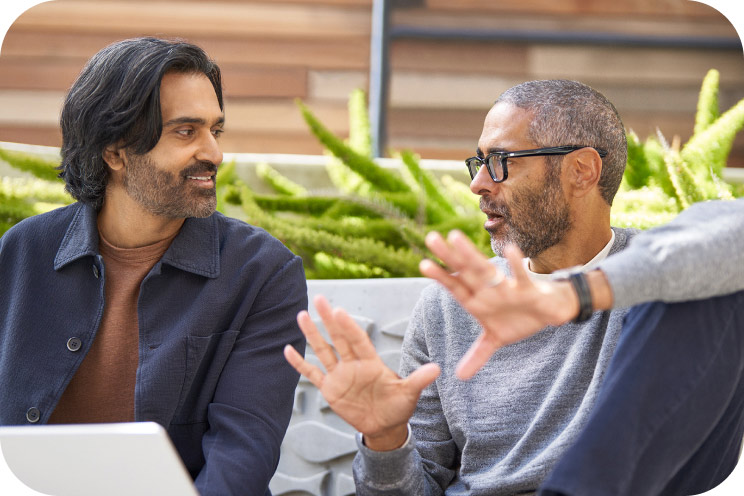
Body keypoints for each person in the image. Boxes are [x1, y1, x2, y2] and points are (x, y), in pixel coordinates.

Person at [283, 79, 744, 495]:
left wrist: (572, 295)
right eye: (479, 163)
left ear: (581, 171)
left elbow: (732, 231)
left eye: (500, 161)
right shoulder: (450, 304)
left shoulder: (663, 281)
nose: (478, 184)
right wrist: (385, 438)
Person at [0, 37, 307, 495]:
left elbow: (243, 454)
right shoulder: (22, 252)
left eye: (215, 131)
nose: (214, 153)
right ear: (115, 152)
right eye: (187, 131)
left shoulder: (262, 272)